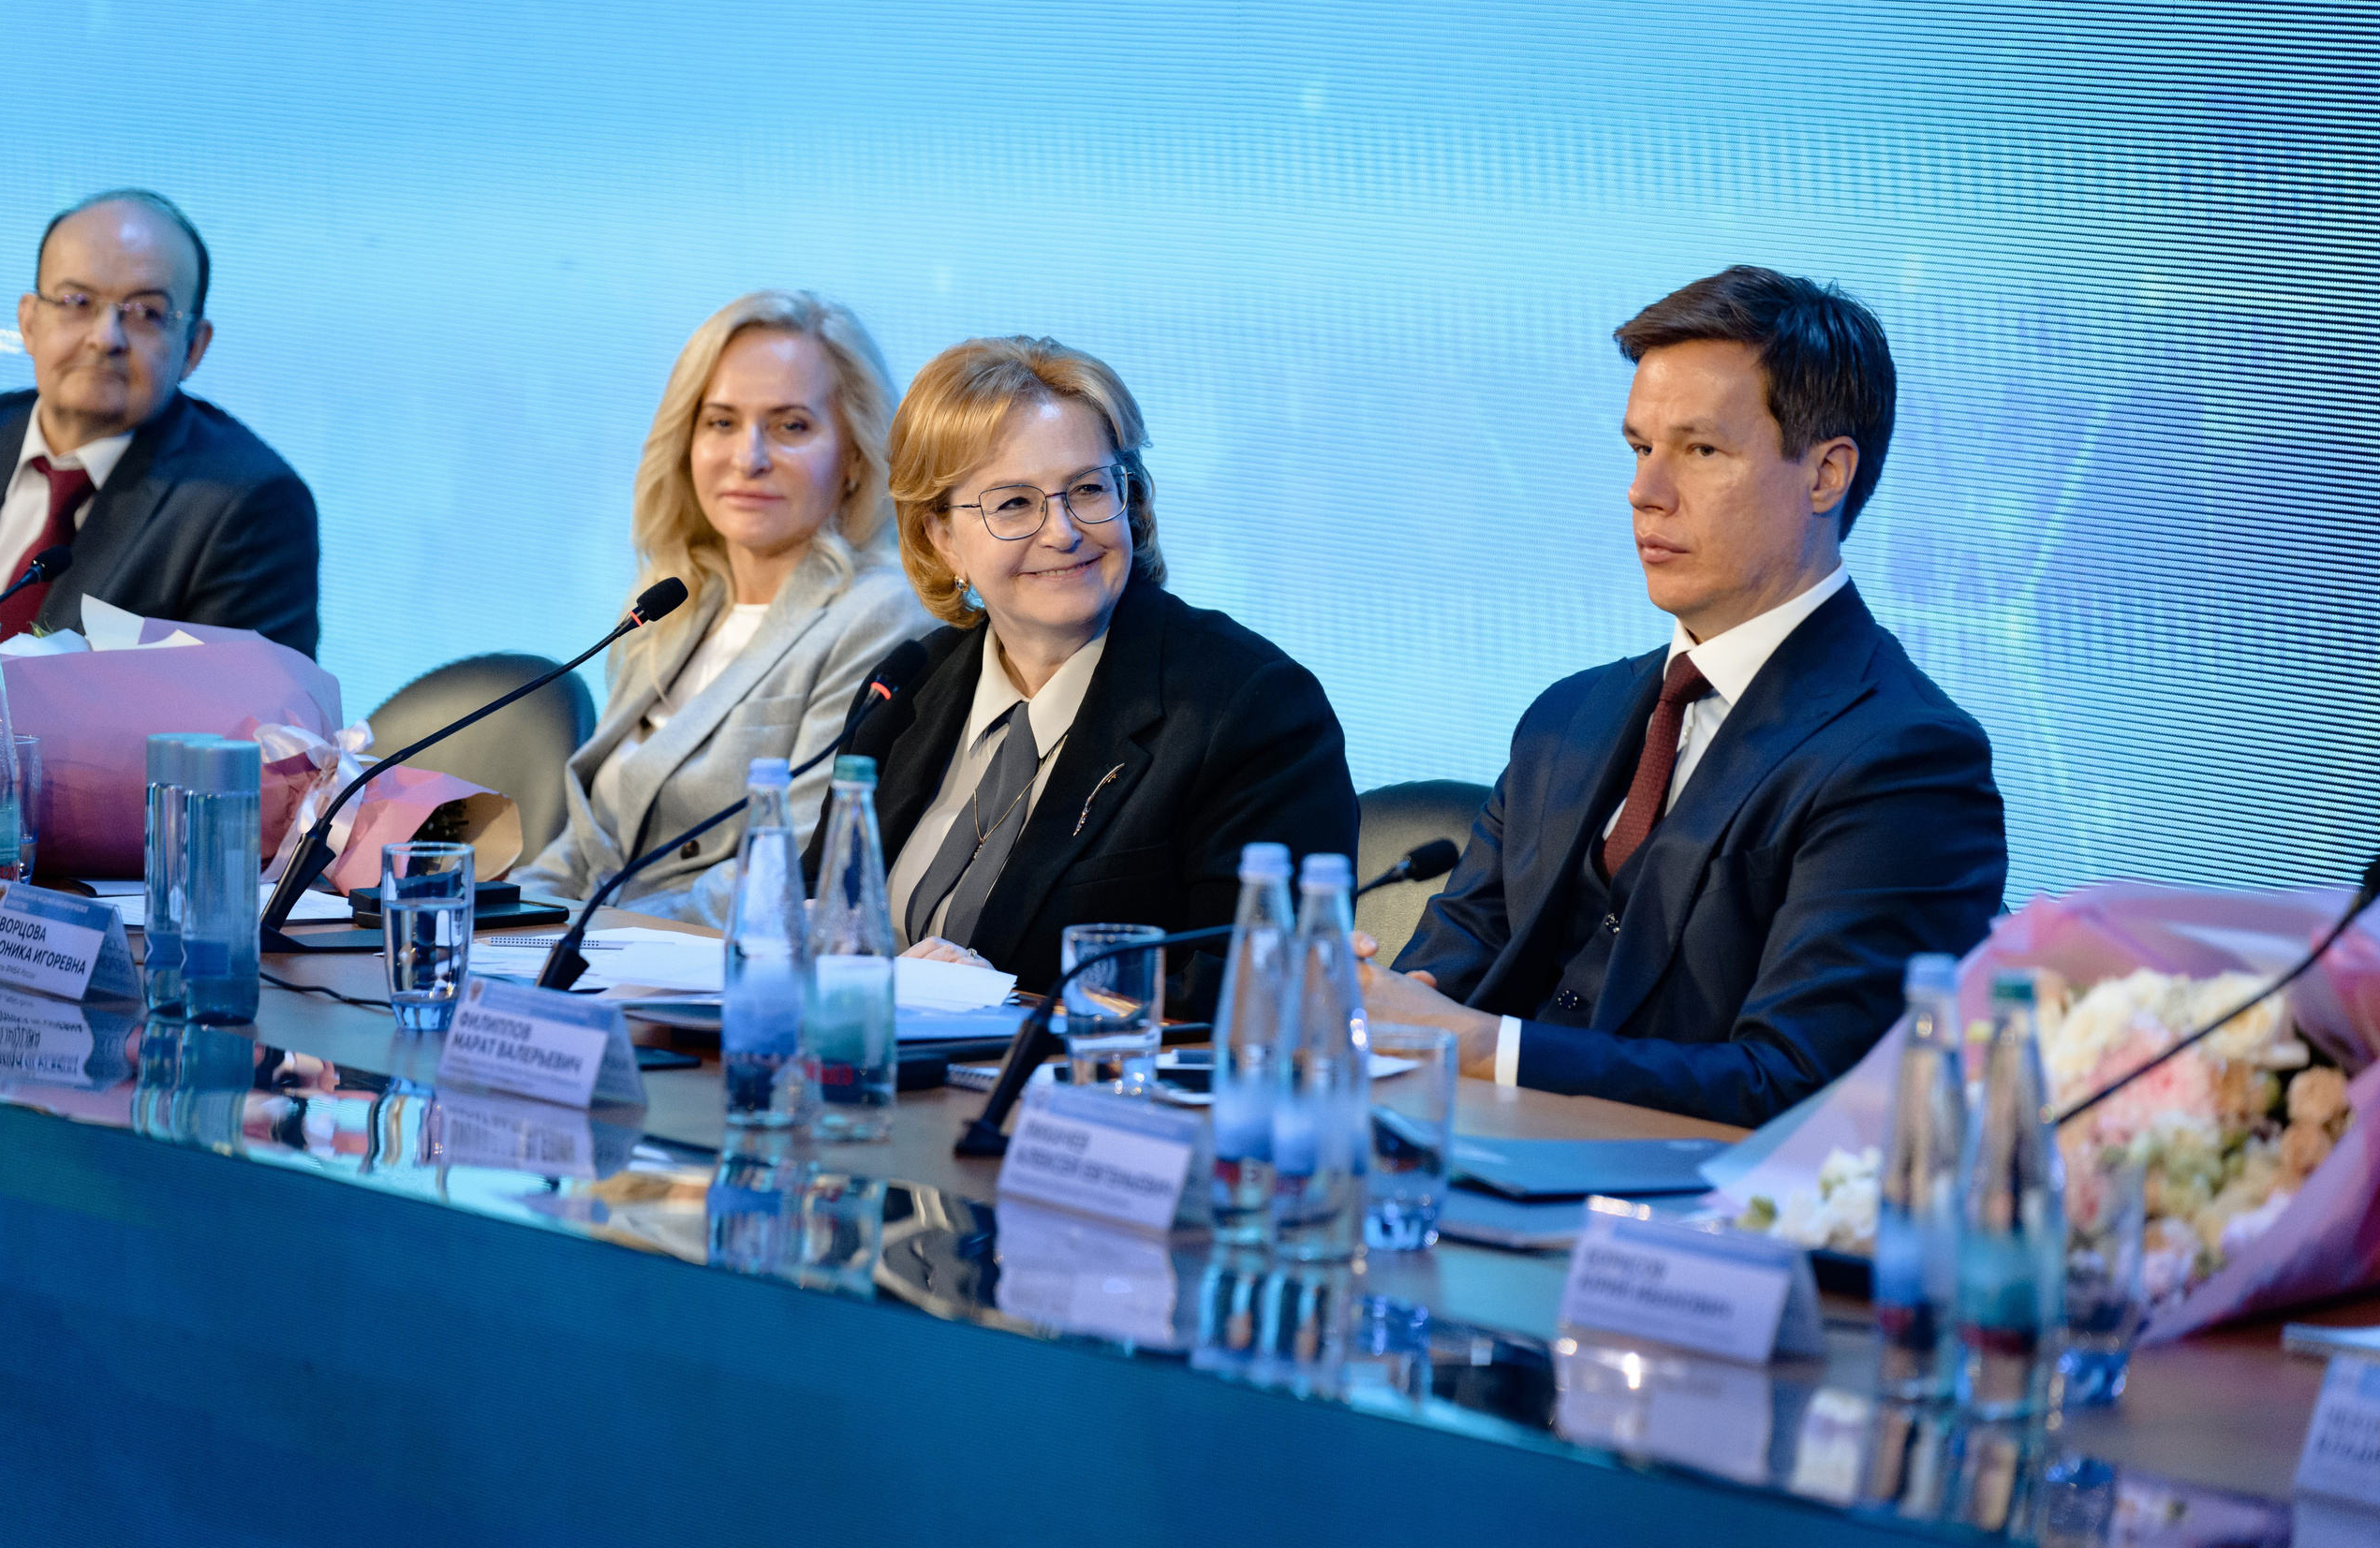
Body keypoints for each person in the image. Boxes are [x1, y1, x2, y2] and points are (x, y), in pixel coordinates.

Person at [1367, 266, 2007, 1128]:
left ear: (1826, 475)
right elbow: (1445, 977)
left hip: (1690, 1202)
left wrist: (1487, 1047)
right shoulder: (1567, 717)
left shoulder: (1908, 758)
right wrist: (1365, 1007)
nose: (1645, 492)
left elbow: (1797, 1086)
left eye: (1700, 451)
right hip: (1458, 1165)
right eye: (1641, 448)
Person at [829, 334, 1357, 1015]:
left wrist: (998, 1002)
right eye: (1014, 504)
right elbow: (823, 909)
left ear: (1129, 499)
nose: (1063, 531)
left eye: (1087, 489)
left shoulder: (1251, 706)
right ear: (942, 538)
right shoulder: (909, 687)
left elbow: (1261, 986)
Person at [510, 291, 935, 925]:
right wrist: (497, 918)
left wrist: (592, 933)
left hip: (704, 960)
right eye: (721, 422)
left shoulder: (884, 613)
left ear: (854, 455)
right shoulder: (671, 602)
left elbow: (792, 861)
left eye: (791, 426)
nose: (748, 458)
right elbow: (587, 844)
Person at [0, 189, 320, 655]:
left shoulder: (250, 505)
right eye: (77, 301)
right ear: (29, 323)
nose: (105, 338)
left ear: (194, 347)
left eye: (146, 313)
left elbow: (248, 699)